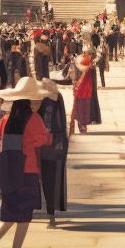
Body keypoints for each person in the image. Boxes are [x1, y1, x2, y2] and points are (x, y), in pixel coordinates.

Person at [0, 77, 53, 248]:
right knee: (24, 214)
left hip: (7, 169)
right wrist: (49, 136)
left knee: (11, 212)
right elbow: (41, 140)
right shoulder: (34, 119)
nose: (37, 103)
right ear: (27, 101)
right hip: (27, 170)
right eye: (35, 100)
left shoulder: (6, 119)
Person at [37, 79, 69, 229]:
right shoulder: (57, 99)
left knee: (48, 180)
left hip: (46, 147)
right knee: (52, 179)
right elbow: (62, 124)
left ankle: (50, 211)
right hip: (55, 146)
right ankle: (51, 211)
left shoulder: (43, 101)